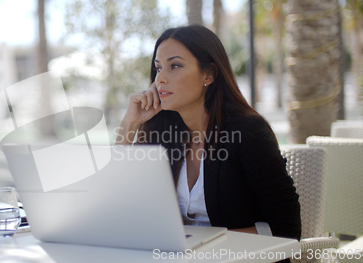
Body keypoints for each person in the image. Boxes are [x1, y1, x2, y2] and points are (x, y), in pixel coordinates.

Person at [115, 25, 301, 242]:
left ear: (209, 74)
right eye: (158, 68)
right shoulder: (160, 133)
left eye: (175, 66)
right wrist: (129, 125)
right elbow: (117, 200)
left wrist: (200, 244)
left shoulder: (248, 132)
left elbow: (287, 228)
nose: (160, 79)